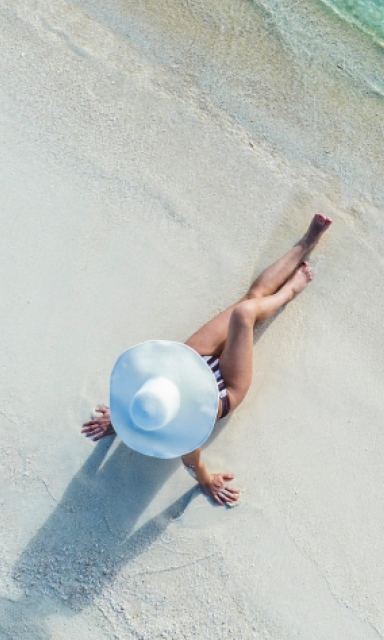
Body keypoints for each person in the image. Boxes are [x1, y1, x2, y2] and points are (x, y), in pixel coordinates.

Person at [81, 214, 332, 505]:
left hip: (191, 361)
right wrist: (208, 481)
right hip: (223, 390)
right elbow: (192, 463)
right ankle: (288, 292)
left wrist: (121, 420)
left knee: (249, 298)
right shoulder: (181, 429)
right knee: (245, 314)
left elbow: (133, 399)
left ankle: (305, 243)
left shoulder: (142, 397)